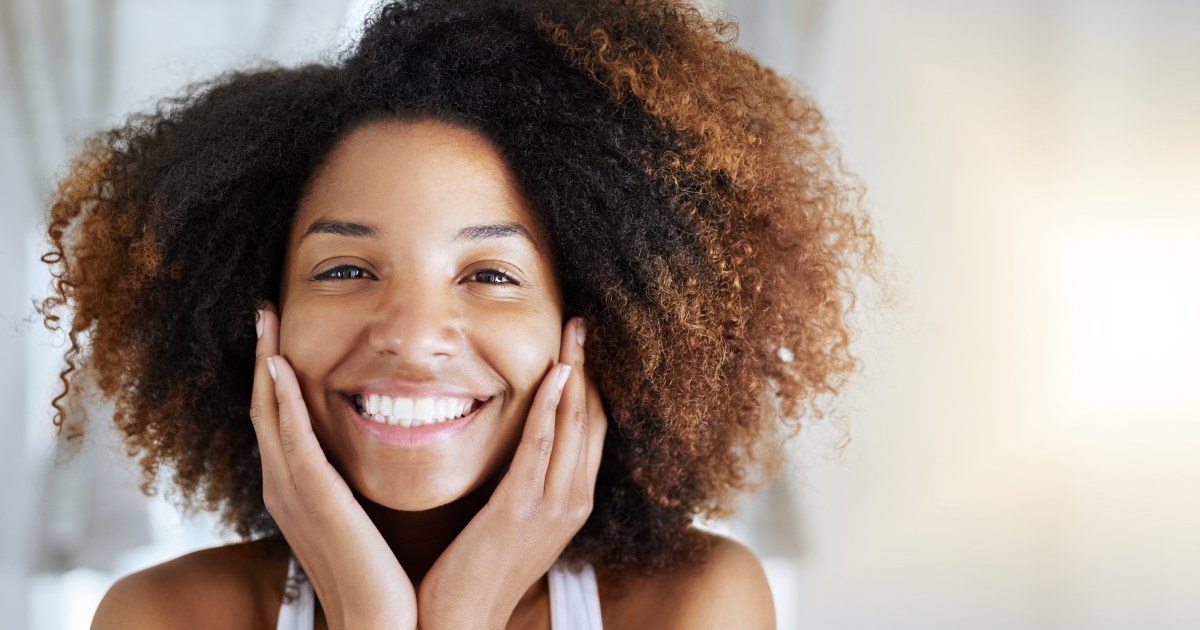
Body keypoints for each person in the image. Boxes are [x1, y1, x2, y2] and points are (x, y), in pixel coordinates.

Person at [40, 0, 878, 627]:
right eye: (344, 267)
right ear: (256, 317)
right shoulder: (166, 617)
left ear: (594, 325)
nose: (410, 336)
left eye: (488, 274)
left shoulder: (694, 604)